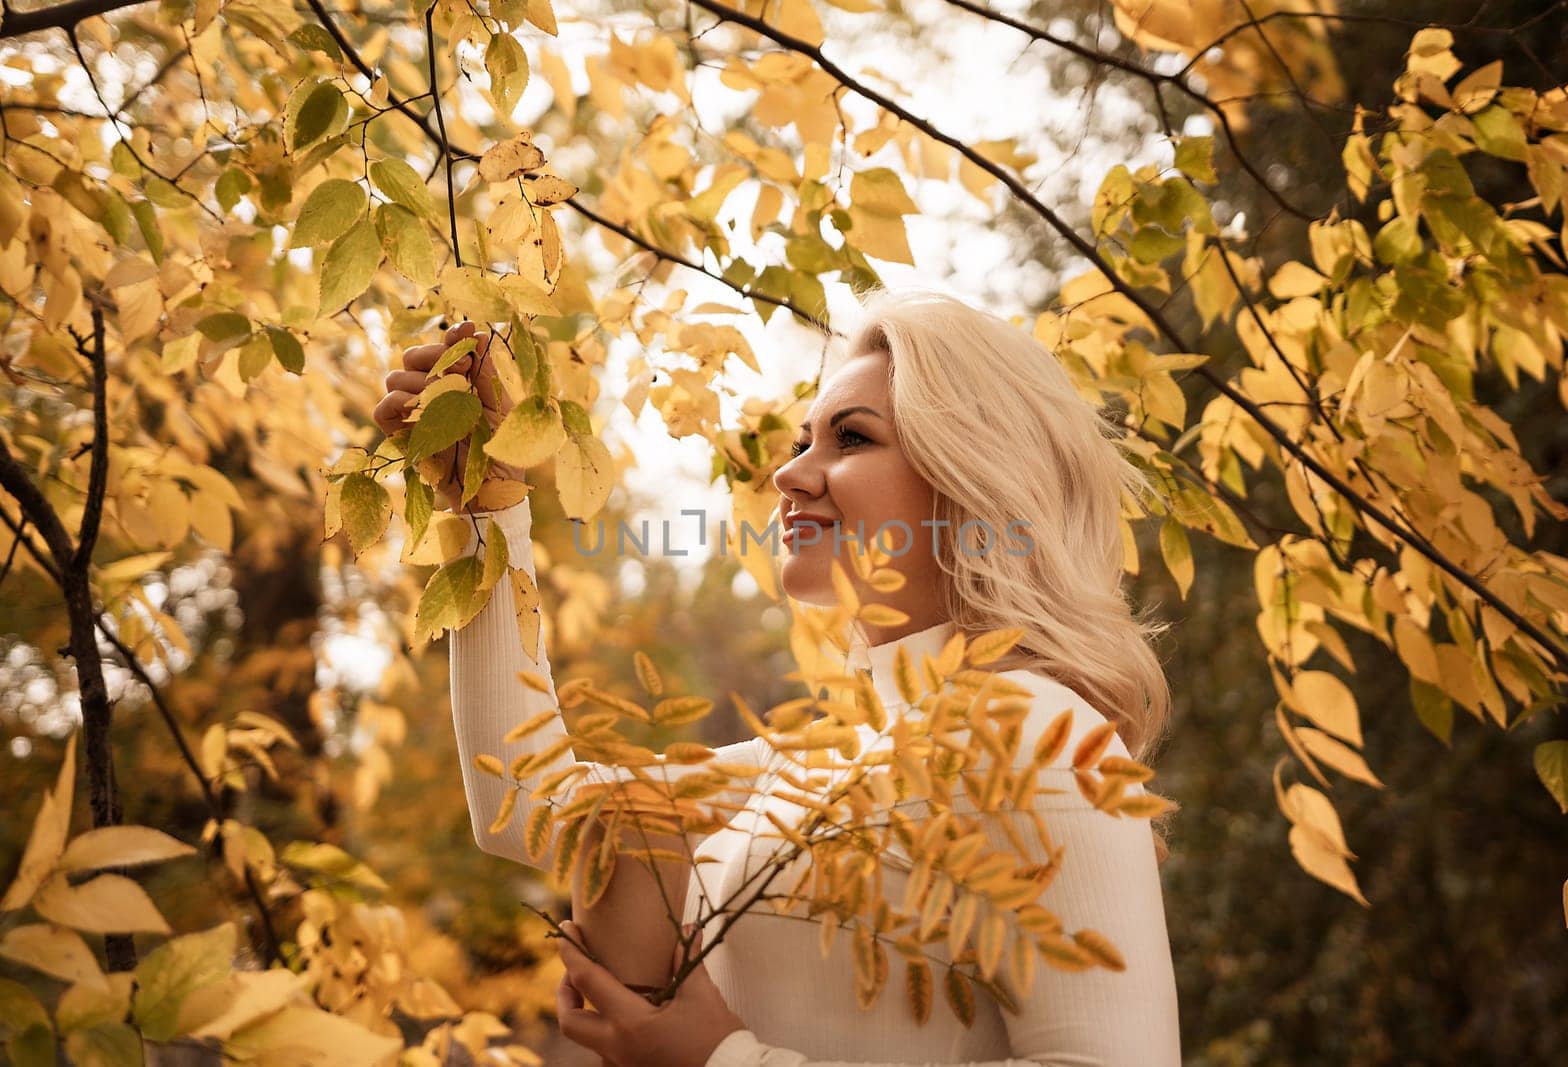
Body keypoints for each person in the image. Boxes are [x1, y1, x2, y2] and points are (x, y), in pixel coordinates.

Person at [373, 286, 1182, 1066]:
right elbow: (531, 801)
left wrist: (726, 1060)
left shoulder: (1041, 731)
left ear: (970, 479)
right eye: (802, 442)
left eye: (852, 438)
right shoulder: (811, 762)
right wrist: (487, 508)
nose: (791, 474)